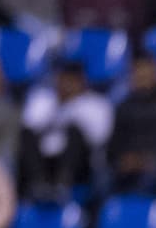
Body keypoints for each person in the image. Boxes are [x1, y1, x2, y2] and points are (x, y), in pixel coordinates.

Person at [20, 60, 113, 200]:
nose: (65, 85)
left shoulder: (96, 104)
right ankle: (38, 184)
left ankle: (63, 185)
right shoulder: (44, 100)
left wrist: (72, 117)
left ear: (82, 82)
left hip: (80, 164)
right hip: (45, 161)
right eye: (62, 80)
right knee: (26, 135)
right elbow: (29, 126)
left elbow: (100, 138)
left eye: (70, 81)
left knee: (74, 131)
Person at [107, 53, 156, 201]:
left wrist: (148, 160)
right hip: (130, 165)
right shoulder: (123, 107)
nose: (141, 77)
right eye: (137, 72)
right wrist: (124, 159)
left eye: (146, 72)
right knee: (104, 177)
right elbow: (114, 145)